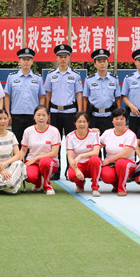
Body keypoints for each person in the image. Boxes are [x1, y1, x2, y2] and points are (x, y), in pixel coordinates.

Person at [45, 44, 83, 180]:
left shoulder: (75, 75)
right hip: (55, 112)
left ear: (69, 58)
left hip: (70, 112)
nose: (62, 59)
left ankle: (69, 170)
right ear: (56, 58)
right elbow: (48, 94)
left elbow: (79, 94)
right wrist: (47, 112)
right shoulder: (51, 75)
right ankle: (56, 171)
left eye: (65, 57)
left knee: (70, 143)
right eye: (60, 57)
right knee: (55, 143)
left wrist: (80, 113)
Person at [4, 48, 46, 145]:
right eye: (23, 59)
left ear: (32, 62)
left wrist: (40, 113)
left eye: (28, 59)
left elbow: (41, 97)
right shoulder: (12, 77)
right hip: (16, 115)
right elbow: (7, 96)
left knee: (33, 143)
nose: (26, 62)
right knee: (17, 143)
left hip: (33, 115)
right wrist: (8, 113)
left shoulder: (38, 78)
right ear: (19, 61)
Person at [20, 106, 61, 195]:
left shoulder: (54, 131)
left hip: (49, 162)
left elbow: (54, 153)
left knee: (44, 162)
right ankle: (38, 183)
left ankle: (47, 185)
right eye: (38, 115)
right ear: (34, 117)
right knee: (29, 176)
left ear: (48, 117)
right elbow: (23, 151)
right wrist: (18, 162)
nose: (41, 118)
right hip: (32, 161)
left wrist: (37, 158)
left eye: (44, 115)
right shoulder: (28, 131)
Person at [99, 108, 137, 196]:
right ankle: (115, 185)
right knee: (106, 176)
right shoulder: (107, 133)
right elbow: (96, 146)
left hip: (127, 164)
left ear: (126, 121)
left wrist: (108, 160)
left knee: (121, 163)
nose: (119, 121)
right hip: (111, 164)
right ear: (112, 121)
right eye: (116, 119)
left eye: (122, 119)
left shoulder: (130, 135)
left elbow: (126, 154)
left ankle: (122, 187)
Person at [83, 49, 121, 133]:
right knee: (94, 140)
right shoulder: (89, 80)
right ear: (95, 64)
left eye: (104, 61)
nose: (102, 64)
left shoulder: (114, 79)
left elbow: (118, 98)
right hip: (94, 116)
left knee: (109, 140)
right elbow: (85, 99)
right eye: (99, 61)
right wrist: (85, 115)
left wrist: (119, 115)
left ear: (107, 63)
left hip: (110, 116)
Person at [65, 112, 102, 196]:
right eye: (79, 121)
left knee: (95, 159)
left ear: (88, 123)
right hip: (78, 164)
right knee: (71, 175)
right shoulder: (70, 136)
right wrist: (76, 170)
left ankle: (95, 187)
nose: (82, 124)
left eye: (84, 121)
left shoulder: (94, 134)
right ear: (75, 123)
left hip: (91, 163)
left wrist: (80, 156)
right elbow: (70, 157)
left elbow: (96, 152)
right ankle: (80, 184)